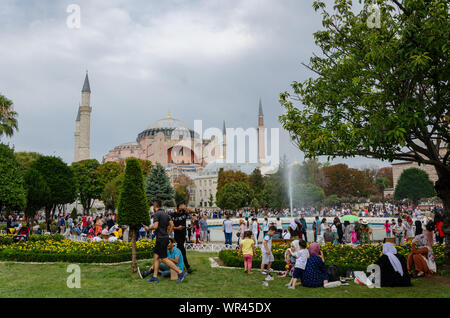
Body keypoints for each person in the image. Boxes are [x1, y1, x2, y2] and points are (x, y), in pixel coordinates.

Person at [147, 200, 187, 284]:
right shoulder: (166, 214)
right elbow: (172, 225)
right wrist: (167, 234)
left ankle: (180, 273)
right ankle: (154, 277)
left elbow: (155, 226)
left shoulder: (157, 214)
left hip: (161, 239)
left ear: (154, 206)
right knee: (156, 256)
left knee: (163, 259)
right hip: (164, 238)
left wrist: (148, 228)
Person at [169, 203, 195, 274]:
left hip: (183, 235)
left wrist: (186, 208)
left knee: (178, 250)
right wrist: (176, 228)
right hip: (177, 235)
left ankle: (176, 266)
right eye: (181, 206)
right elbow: (170, 226)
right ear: (178, 207)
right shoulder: (173, 215)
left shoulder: (184, 213)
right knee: (182, 251)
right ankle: (187, 267)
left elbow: (194, 211)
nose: (183, 208)